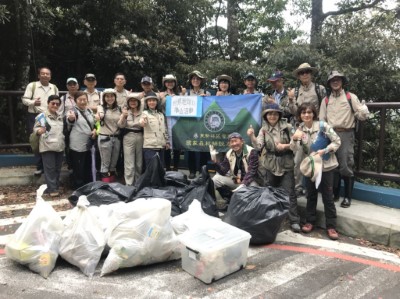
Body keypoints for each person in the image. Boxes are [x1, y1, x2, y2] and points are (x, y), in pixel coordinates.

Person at [247, 103, 300, 232]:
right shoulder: (263, 130)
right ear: (266, 116)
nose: (272, 116)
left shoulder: (287, 127)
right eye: (269, 114)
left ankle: (294, 220)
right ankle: (269, 219)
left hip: (286, 163)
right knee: (269, 192)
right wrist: (252, 136)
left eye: (275, 113)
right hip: (270, 164)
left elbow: (296, 143)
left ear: (279, 115)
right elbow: (259, 146)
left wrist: (285, 146)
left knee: (289, 193)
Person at [291, 103, 341, 240]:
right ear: (300, 115)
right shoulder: (299, 129)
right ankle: (309, 221)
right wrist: (295, 139)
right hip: (310, 167)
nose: (306, 115)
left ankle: (331, 226)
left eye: (309, 112)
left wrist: (325, 150)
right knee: (311, 194)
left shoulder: (323, 126)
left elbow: (337, 141)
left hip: (326, 166)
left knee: (328, 196)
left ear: (314, 113)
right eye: (303, 113)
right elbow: (294, 148)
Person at [319, 71, 369, 208]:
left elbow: (361, 116)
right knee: (331, 165)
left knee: (346, 164)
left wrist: (363, 111)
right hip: (329, 134)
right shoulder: (326, 100)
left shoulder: (350, 97)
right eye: (332, 80)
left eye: (338, 79)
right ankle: (335, 194)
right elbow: (322, 120)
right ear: (329, 83)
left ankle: (347, 197)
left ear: (342, 82)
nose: (335, 82)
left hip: (346, 134)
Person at [289, 63, 327, 197]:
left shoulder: (319, 89)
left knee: (317, 156)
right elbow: (294, 112)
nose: (304, 74)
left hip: (317, 128)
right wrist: (290, 99)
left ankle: (316, 187)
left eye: (307, 71)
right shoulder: (296, 91)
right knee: (299, 158)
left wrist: (323, 127)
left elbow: (324, 107)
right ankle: (299, 187)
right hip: (301, 128)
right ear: (299, 76)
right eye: (301, 72)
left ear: (311, 74)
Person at [22, 67, 59, 175]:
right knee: (36, 140)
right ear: (38, 75)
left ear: (50, 76)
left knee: (48, 139)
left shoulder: (54, 87)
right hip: (35, 115)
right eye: (42, 73)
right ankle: (39, 167)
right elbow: (24, 100)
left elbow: (57, 101)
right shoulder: (32, 86)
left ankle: (48, 166)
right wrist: (33, 102)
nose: (45, 75)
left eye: (47, 74)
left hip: (49, 116)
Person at [210, 132, 259, 209]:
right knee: (215, 179)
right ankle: (221, 203)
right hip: (236, 180)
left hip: (249, 181)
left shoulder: (251, 152)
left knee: (255, 189)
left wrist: (244, 184)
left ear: (242, 141)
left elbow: (252, 172)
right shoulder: (229, 153)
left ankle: (248, 207)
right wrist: (215, 162)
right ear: (229, 144)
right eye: (231, 142)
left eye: (236, 141)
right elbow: (223, 171)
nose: (234, 144)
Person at [33, 95, 64, 196]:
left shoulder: (60, 116)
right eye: (53, 103)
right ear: (48, 103)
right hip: (47, 146)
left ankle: (55, 186)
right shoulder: (42, 116)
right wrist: (39, 131)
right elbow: (35, 129)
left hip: (59, 146)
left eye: (57, 104)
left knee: (57, 168)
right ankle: (52, 190)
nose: (55, 105)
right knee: (49, 169)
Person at [66, 91, 97, 189]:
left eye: (84, 99)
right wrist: (71, 118)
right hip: (77, 145)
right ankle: (78, 187)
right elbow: (70, 120)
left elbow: (95, 123)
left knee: (87, 166)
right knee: (78, 168)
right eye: (80, 100)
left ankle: (87, 186)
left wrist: (95, 130)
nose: (83, 102)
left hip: (88, 144)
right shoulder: (72, 112)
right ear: (75, 101)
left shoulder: (89, 111)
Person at [184, 70, 211, 179]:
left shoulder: (207, 93)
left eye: (198, 79)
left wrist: (206, 99)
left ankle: (202, 169)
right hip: (190, 123)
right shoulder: (186, 93)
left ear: (201, 81)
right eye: (193, 78)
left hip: (203, 124)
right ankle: (192, 170)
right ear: (191, 81)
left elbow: (211, 107)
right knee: (191, 146)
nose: (195, 80)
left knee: (204, 147)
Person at [96, 89, 122, 182]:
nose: (110, 98)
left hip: (117, 138)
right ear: (104, 98)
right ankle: (105, 185)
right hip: (105, 137)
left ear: (115, 97)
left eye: (112, 96)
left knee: (113, 163)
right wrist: (99, 116)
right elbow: (99, 114)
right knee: (105, 163)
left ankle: (111, 184)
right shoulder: (101, 107)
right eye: (107, 96)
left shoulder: (119, 108)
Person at [118, 94, 143, 185]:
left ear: (138, 102)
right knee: (129, 162)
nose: (133, 102)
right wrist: (124, 117)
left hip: (140, 136)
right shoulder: (125, 112)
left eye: (135, 101)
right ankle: (129, 184)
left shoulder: (142, 112)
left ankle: (138, 182)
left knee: (139, 163)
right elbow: (120, 125)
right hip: (128, 136)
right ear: (128, 103)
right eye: (131, 101)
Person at [140, 92, 169, 169]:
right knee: (151, 169)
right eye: (149, 101)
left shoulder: (161, 114)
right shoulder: (144, 113)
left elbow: (164, 129)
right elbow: (142, 122)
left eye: (154, 100)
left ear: (157, 102)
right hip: (150, 147)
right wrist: (143, 122)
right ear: (147, 103)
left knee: (160, 168)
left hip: (161, 146)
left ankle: (158, 181)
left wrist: (167, 141)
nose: (152, 102)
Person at [159, 74, 182, 171]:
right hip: (165, 121)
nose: (170, 83)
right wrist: (161, 97)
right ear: (164, 83)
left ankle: (176, 167)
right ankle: (167, 168)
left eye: (172, 81)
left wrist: (182, 96)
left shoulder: (179, 94)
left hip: (178, 122)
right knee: (166, 145)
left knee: (177, 145)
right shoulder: (160, 94)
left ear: (175, 83)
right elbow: (158, 107)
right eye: (167, 81)